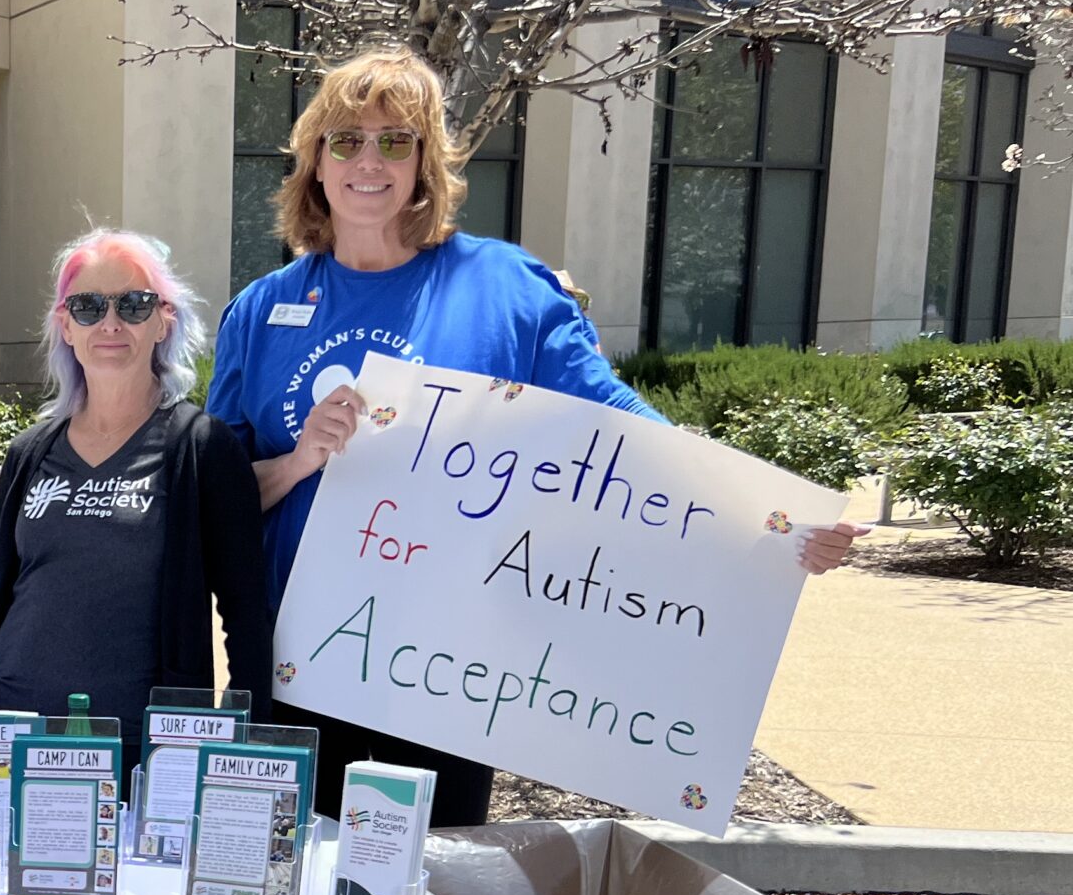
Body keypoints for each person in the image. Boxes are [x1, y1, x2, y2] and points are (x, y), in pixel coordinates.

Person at [204, 45, 863, 825]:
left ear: (427, 161)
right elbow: (217, 495)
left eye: (395, 139)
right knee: (289, 880)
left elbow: (617, 426)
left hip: (445, 666)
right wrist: (302, 457)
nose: (368, 161)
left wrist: (760, 509)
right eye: (346, 139)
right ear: (315, 160)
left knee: (437, 885)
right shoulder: (262, 309)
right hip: (294, 656)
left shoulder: (504, 288)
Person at [0, 229, 274, 759]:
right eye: (87, 306)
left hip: (143, 749)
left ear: (162, 320)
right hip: (16, 740)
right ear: (65, 325)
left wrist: (243, 741)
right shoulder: (30, 452)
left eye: (133, 304)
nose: (110, 323)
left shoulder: (201, 448)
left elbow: (245, 613)